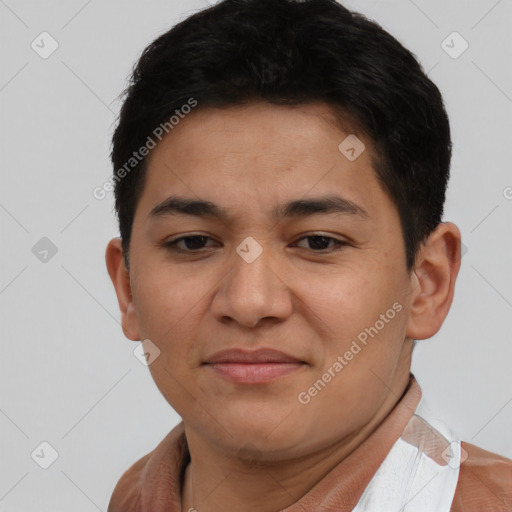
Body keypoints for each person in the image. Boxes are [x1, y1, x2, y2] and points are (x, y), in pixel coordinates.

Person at [104, 0, 512, 510]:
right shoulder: (133, 496)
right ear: (127, 288)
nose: (250, 302)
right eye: (193, 242)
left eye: (318, 241)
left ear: (427, 283)